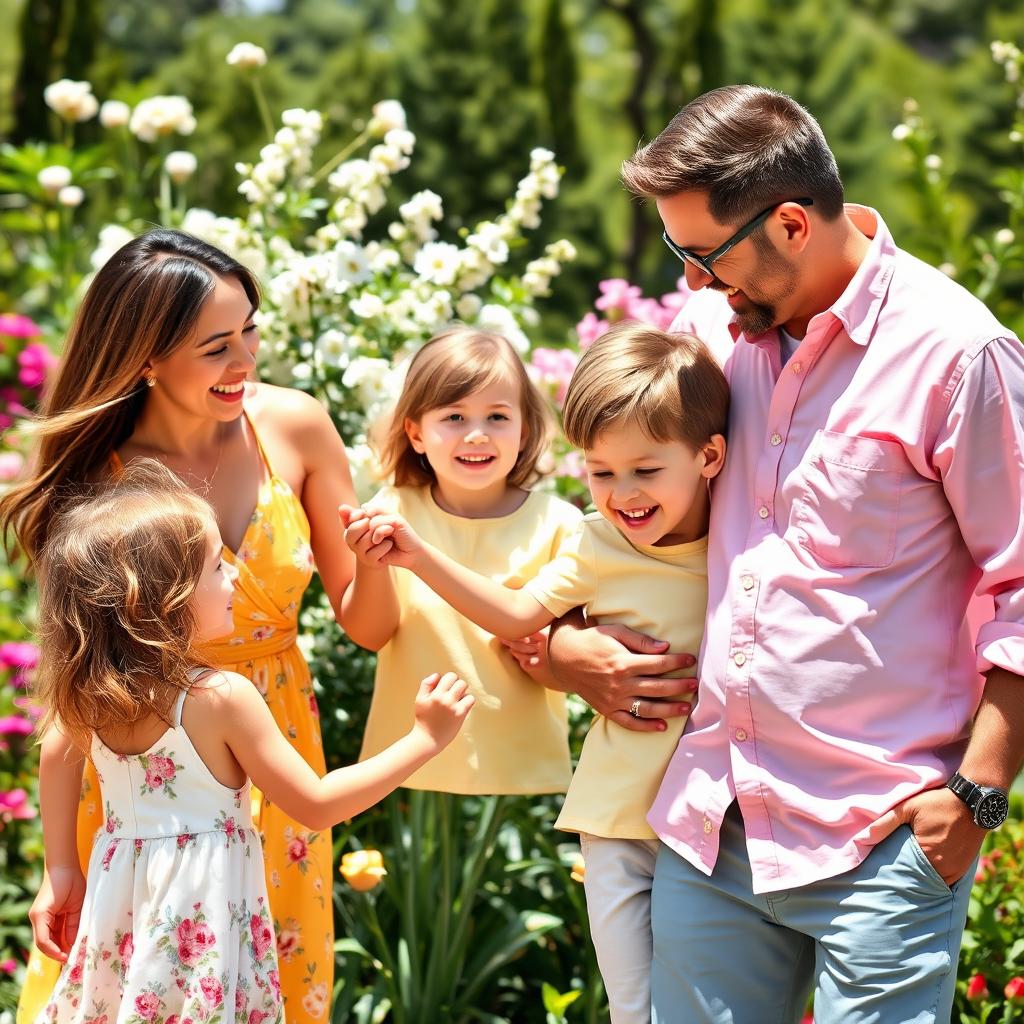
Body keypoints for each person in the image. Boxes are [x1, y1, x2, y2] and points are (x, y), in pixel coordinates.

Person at [548, 84, 1024, 1023]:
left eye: (702, 254)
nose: (689, 282)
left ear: (793, 224)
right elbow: (625, 512)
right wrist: (568, 648)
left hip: (885, 834)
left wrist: (978, 797)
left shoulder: (959, 355)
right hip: (713, 823)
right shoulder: (706, 341)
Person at [1, 229, 357, 1024]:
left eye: (251, 333)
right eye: (216, 346)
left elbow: (369, 621)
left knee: (271, 982)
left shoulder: (294, 428)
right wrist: (59, 867)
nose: (246, 363)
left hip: (275, 749)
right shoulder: (95, 473)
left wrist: (389, 554)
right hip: (141, 781)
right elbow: (70, 692)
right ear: (147, 358)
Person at [344, 322, 728, 1024]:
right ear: (415, 430)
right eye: (603, 472)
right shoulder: (594, 536)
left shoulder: (733, 537)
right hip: (611, 807)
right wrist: (417, 557)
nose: (623, 492)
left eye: (497, 415)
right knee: (634, 1008)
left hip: (708, 808)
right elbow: (517, 616)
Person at [29, 460, 473, 1024]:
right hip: (201, 920)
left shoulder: (96, 694)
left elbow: (54, 755)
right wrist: (424, 739)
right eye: (217, 568)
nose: (236, 578)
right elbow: (315, 804)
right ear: (159, 602)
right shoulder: (218, 698)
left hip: (126, 911)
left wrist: (61, 871)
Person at [339, 325, 582, 796]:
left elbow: (572, 668)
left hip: (521, 776)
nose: (476, 435)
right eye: (453, 417)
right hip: (408, 767)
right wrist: (370, 566)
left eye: (497, 417)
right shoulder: (391, 512)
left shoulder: (558, 524)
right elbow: (370, 635)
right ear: (416, 433)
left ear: (524, 429)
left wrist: (548, 656)